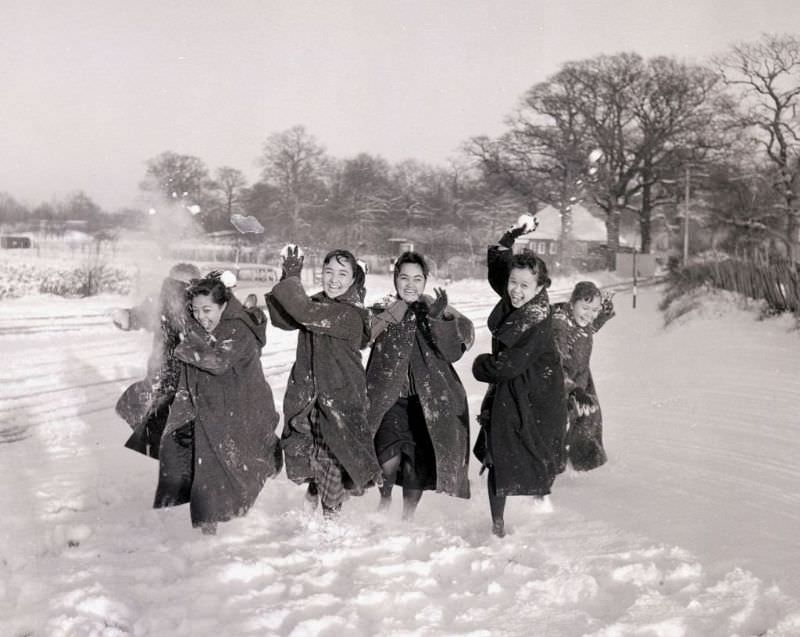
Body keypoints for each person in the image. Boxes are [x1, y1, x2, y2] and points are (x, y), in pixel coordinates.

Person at [154, 272, 282, 534]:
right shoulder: (201, 326)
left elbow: (218, 362)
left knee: (245, 465)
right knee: (207, 474)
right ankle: (208, 535)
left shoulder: (237, 329)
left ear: (223, 305)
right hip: (212, 412)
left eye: (208, 310)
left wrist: (184, 348)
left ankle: (268, 462)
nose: (202, 316)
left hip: (245, 411)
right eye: (197, 310)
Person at [265, 247, 381, 519]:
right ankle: (318, 493)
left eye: (343, 274)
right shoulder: (319, 304)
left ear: (354, 280)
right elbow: (283, 319)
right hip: (312, 397)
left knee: (333, 457)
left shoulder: (349, 314)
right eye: (328, 272)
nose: (334, 279)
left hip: (341, 398)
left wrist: (291, 281)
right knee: (315, 453)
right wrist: (287, 277)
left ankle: (332, 519)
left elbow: (303, 312)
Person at [472, 225, 567, 538]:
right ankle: (497, 524)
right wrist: (507, 241)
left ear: (539, 287)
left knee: (525, 452)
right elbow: (499, 273)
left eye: (525, 285)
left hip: (534, 393)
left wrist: (480, 365)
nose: (515, 290)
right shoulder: (517, 296)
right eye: (513, 282)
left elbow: (506, 366)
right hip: (515, 388)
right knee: (498, 454)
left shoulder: (536, 319)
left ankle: (540, 507)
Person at [366, 252, 474, 520]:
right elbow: (364, 335)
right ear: (395, 279)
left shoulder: (436, 309)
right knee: (386, 457)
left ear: (426, 281)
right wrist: (392, 313)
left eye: (417, 278)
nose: (410, 285)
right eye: (404, 278)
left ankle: (408, 516)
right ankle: (385, 498)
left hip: (424, 402)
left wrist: (439, 320)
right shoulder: (383, 309)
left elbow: (454, 352)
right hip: (389, 399)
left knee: (416, 462)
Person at [112, 262, 200, 459]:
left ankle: (170, 455)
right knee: (160, 413)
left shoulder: (197, 302)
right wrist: (127, 317)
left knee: (167, 416)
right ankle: (169, 455)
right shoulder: (163, 302)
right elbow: (142, 315)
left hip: (181, 372)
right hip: (167, 370)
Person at [552, 281, 615, 472]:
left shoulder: (582, 321)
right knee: (558, 423)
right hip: (560, 383)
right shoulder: (560, 326)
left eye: (594, 309)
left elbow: (591, 326)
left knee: (589, 416)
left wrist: (603, 313)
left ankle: (585, 461)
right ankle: (554, 466)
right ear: (572, 303)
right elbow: (554, 365)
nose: (590, 314)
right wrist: (572, 390)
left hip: (581, 379)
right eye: (585, 308)